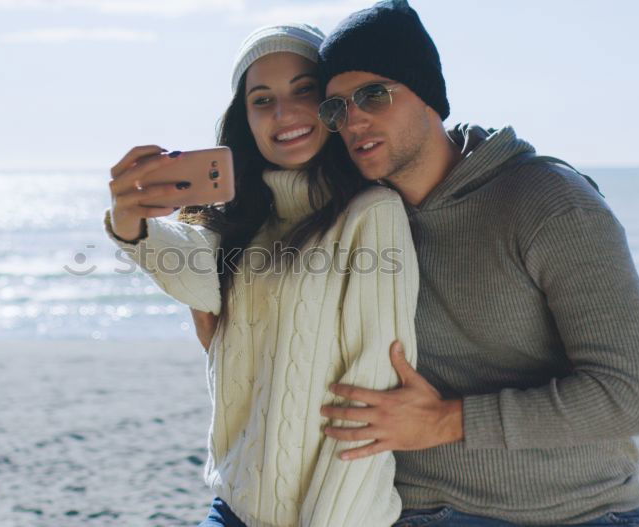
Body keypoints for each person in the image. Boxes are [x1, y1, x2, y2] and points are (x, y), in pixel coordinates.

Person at [287, 1, 639, 526]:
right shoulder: (360, 218)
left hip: (577, 510)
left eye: (373, 94)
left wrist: (445, 422)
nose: (354, 120)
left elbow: (630, 395)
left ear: (429, 98)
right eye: (336, 109)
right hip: (423, 508)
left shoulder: (549, 202)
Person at [105, 23, 420, 527]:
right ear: (244, 120)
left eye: (304, 91)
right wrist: (130, 223)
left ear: (332, 105)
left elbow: (369, 399)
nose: (285, 114)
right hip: (231, 508)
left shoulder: (372, 213)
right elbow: (193, 271)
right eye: (262, 99)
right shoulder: (240, 219)